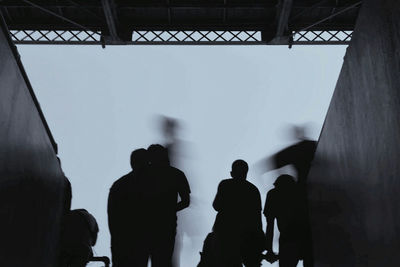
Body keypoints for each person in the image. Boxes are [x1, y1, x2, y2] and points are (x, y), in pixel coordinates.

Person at [139, 144, 191, 267]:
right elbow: (186, 201)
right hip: (167, 225)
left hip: (144, 225)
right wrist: (170, 210)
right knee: (163, 261)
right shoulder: (177, 174)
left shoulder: (142, 175)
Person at [211, 160, 264, 267]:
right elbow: (257, 218)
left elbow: (216, 206)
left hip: (224, 234)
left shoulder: (225, 185)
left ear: (232, 173)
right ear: (246, 173)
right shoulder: (253, 190)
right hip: (247, 236)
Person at [108, 148, 149, 267]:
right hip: (138, 244)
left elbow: (112, 218)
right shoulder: (148, 187)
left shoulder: (118, 185)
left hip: (121, 244)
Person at [264, 175, 310, 267]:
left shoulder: (273, 195)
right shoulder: (298, 194)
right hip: (304, 237)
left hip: (287, 239)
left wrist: (269, 250)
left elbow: (270, 225)